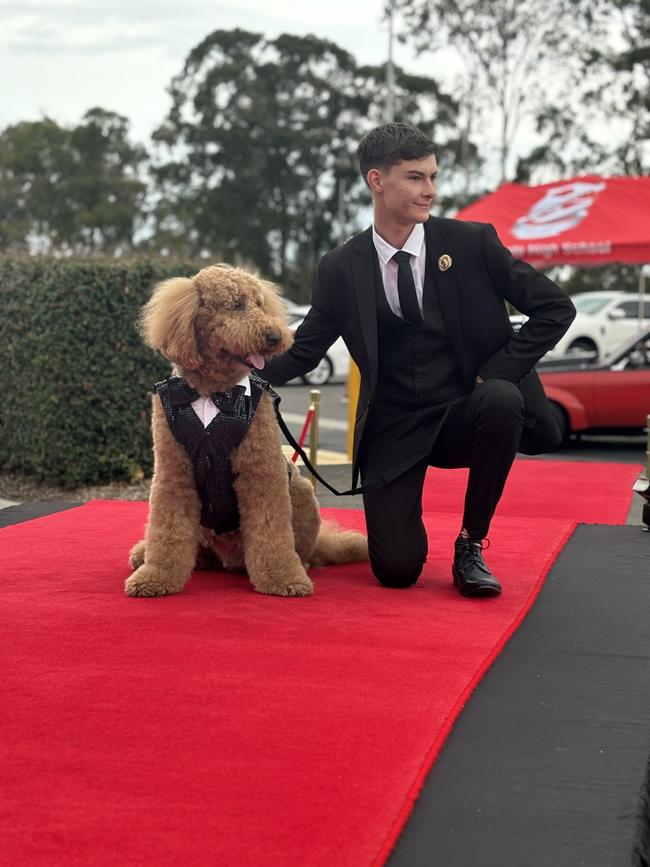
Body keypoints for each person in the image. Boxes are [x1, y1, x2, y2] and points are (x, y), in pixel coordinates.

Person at [262, 122, 576, 597]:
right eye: (415, 177)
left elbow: (556, 308)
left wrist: (496, 372)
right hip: (393, 424)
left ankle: (471, 544)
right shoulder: (340, 267)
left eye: (433, 177)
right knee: (397, 571)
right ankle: (405, 535)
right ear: (376, 180)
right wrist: (237, 372)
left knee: (500, 398)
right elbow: (306, 348)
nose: (430, 190)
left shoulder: (472, 244)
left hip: (463, 413)